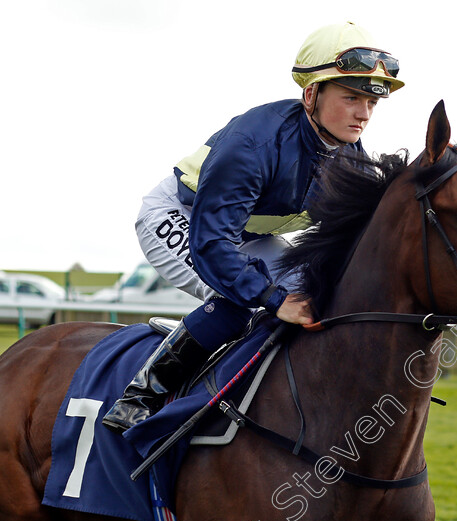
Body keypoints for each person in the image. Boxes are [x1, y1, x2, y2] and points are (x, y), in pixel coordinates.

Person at [102, 21, 404, 433]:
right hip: (183, 219)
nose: (364, 114)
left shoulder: (348, 153)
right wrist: (272, 297)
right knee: (241, 298)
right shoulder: (253, 144)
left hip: (251, 236)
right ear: (311, 93)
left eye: (372, 101)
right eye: (351, 97)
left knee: (321, 294)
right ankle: (141, 397)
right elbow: (211, 244)